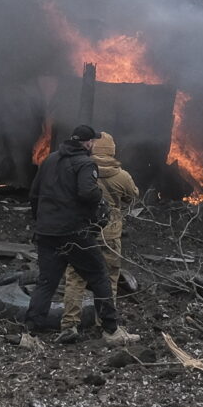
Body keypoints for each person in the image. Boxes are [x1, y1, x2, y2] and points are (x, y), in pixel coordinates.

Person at [22, 124, 138, 347]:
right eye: (92, 141)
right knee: (99, 275)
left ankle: (30, 334)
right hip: (74, 233)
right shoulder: (85, 163)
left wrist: (40, 221)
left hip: (47, 232)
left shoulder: (50, 159)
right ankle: (111, 330)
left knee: (46, 282)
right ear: (88, 143)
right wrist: (99, 202)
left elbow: (34, 193)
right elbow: (87, 192)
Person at [60, 130, 138, 338]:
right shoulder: (122, 176)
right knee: (109, 278)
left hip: (82, 232)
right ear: (112, 150)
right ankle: (105, 325)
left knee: (75, 277)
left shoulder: (80, 169)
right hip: (110, 234)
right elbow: (132, 197)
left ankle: (69, 325)